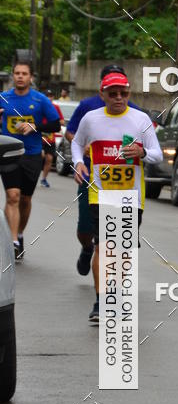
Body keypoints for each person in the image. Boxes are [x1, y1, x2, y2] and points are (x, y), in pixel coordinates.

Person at [71, 71, 163, 322]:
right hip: (100, 194)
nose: (119, 98)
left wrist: (142, 152)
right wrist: (79, 163)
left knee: (122, 251)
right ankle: (101, 303)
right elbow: (77, 144)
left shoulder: (140, 119)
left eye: (124, 93)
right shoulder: (91, 119)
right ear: (103, 95)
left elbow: (158, 155)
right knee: (103, 246)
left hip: (131, 197)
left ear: (129, 93)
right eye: (113, 94)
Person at [64, 64, 144, 278]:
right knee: (85, 229)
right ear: (102, 88)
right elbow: (71, 134)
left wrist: (139, 152)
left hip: (124, 184)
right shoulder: (87, 108)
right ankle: (87, 248)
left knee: (114, 240)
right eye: (111, 86)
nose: (118, 94)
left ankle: (111, 288)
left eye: (122, 89)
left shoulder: (134, 112)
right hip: (91, 176)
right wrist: (84, 150)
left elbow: (148, 146)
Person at [0, 62, 61, 258]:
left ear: (31, 77)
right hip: (9, 154)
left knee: (25, 199)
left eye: (24, 73)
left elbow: (55, 125)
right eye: (17, 73)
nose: (20, 76)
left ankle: (19, 233)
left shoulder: (40, 100)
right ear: (13, 76)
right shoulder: (3, 98)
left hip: (32, 154)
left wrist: (34, 126)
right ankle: (12, 242)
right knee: (13, 196)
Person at [40, 92, 63, 188]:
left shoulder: (55, 107)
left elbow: (61, 121)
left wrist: (52, 123)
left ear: (53, 97)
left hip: (50, 139)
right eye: (47, 96)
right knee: (40, 156)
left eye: (51, 96)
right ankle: (33, 176)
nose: (49, 98)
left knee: (49, 158)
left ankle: (44, 179)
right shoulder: (40, 106)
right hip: (39, 138)